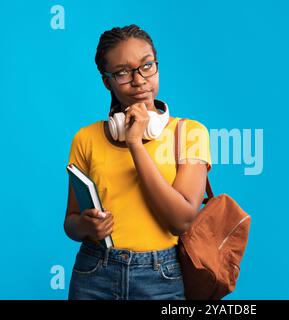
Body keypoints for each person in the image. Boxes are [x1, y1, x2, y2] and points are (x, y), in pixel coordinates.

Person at [64, 24, 212, 300]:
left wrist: (134, 144)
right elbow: (70, 222)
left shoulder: (190, 133)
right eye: (122, 72)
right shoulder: (86, 138)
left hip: (161, 276)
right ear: (107, 81)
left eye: (147, 66)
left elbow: (180, 220)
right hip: (94, 272)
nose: (139, 79)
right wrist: (87, 226)